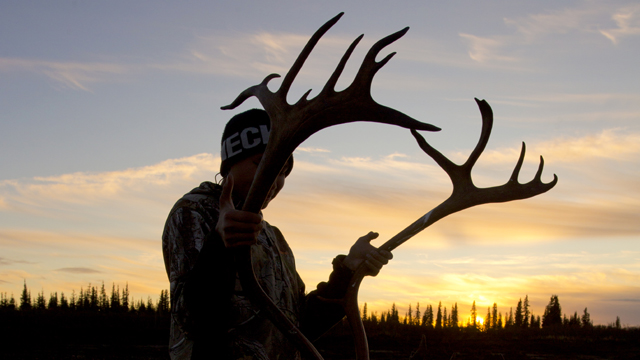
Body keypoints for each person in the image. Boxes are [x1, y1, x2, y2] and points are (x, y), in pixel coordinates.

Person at [162, 109, 392, 360]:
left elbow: (298, 326)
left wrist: (347, 270)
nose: (274, 179)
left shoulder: (273, 237)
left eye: (283, 171)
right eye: (261, 163)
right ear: (229, 164)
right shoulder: (194, 212)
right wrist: (220, 245)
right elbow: (194, 318)